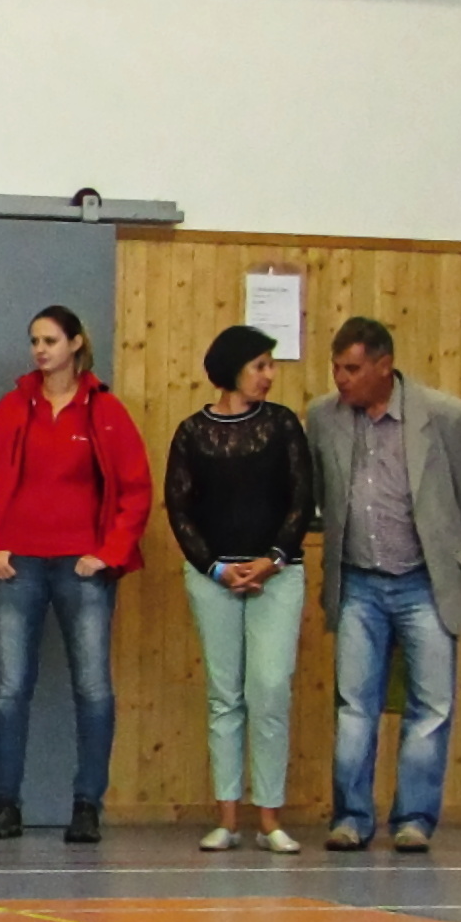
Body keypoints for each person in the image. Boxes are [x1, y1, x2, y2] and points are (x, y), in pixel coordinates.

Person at [0, 305, 150, 845]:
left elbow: (136, 489)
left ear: (75, 344)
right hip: (17, 564)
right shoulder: (13, 407)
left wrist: (109, 553)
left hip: (81, 567)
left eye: (49, 340)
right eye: (34, 341)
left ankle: (87, 804)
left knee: (92, 687)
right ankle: (5, 805)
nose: (40, 350)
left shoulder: (105, 411)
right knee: (10, 688)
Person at [307, 316, 461, 854]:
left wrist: (441, 551)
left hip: (423, 581)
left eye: (352, 368)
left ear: (384, 366)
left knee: (430, 707)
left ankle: (414, 820)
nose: (341, 378)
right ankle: (351, 817)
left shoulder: (446, 416)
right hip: (358, 581)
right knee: (354, 706)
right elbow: (320, 493)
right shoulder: (323, 417)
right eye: (337, 367)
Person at [166, 326, 314, 856]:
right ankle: (227, 817)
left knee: (269, 689)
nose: (269, 375)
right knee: (224, 694)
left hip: (277, 573)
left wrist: (272, 559)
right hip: (214, 578)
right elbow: (179, 507)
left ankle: (270, 817)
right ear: (232, 370)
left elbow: (302, 498)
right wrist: (213, 567)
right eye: (260, 366)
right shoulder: (192, 433)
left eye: (271, 365)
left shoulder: (283, 425)